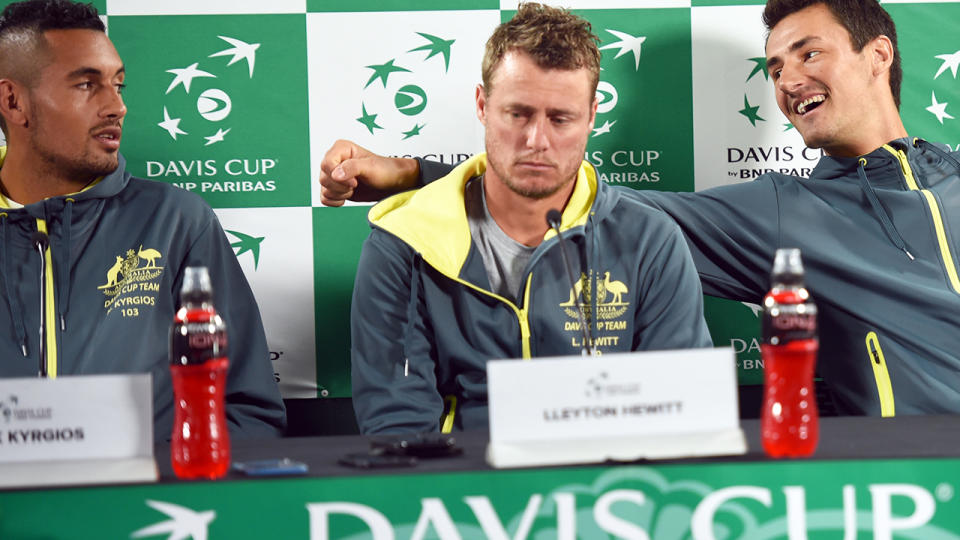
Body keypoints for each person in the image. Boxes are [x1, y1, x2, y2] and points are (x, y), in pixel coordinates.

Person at [320, 0, 960, 418]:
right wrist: (413, 176)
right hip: (899, 474)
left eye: (809, 53)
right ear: (486, 106)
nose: (788, 80)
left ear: (878, 55)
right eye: (774, 66)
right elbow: (575, 198)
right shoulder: (781, 212)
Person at [348, 3, 712, 434]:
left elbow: (680, 412)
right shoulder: (403, 242)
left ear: (592, 117)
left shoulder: (649, 238)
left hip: (606, 483)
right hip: (463, 485)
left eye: (561, 119)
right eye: (517, 114)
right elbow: (399, 428)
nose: (536, 140)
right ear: (483, 105)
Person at [0, 0, 285, 441]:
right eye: (86, 85)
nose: (117, 107)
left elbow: (247, 411)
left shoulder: (177, 221)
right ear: (13, 101)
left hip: (148, 504)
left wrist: (165, 491)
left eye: (118, 85)